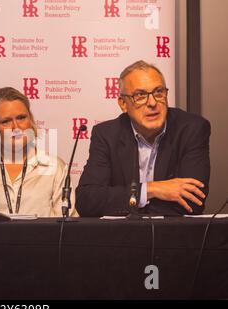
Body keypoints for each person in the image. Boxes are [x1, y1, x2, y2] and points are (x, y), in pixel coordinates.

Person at [75, 60, 210, 217]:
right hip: (121, 238)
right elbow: (87, 201)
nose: (152, 103)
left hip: (172, 236)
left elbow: (192, 202)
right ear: (123, 104)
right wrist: (150, 189)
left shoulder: (191, 129)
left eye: (159, 92)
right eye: (140, 95)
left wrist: (123, 202)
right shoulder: (107, 134)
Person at [0, 87, 75, 218]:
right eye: (6, 121)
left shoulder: (55, 167)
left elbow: (66, 227)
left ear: (30, 120)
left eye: (21, 118)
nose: (16, 127)